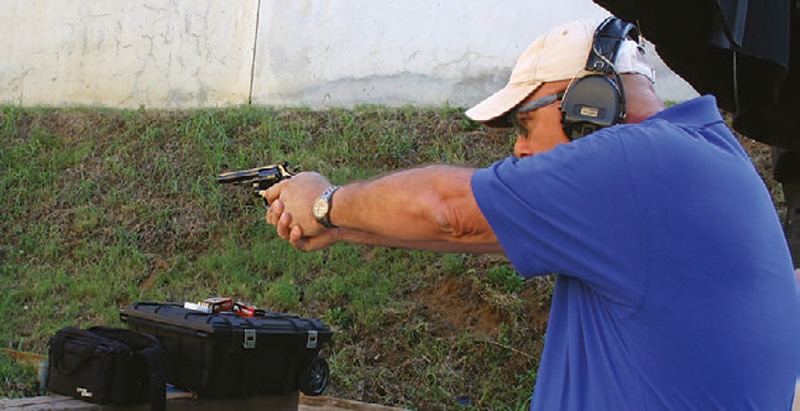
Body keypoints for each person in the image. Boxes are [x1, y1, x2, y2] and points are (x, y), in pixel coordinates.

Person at [264, 18, 798, 410]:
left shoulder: (637, 163)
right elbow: (482, 232)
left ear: (590, 104)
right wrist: (343, 226)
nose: (516, 150)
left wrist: (325, 202)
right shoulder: (686, 162)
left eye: (523, 123)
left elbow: (449, 211)